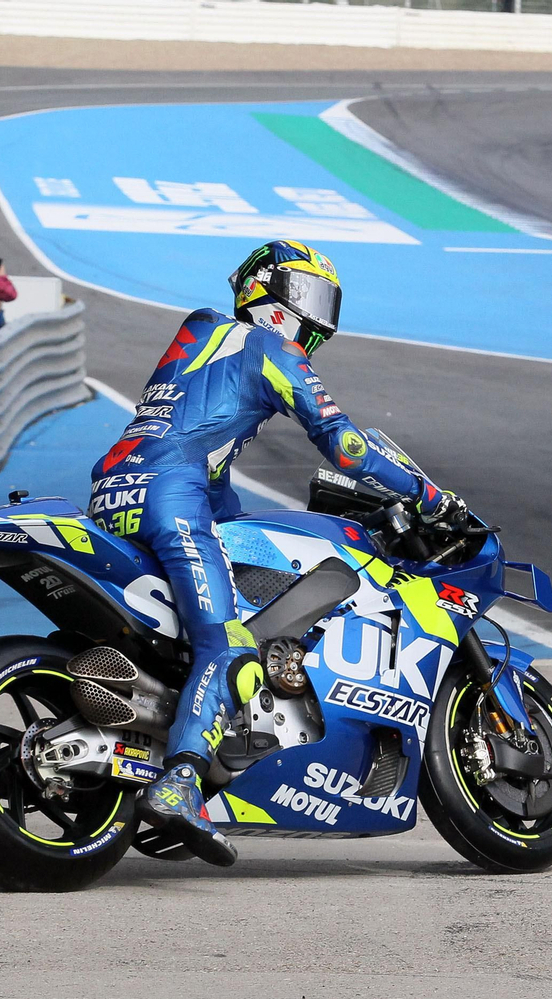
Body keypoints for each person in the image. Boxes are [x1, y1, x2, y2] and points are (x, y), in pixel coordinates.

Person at [89, 239, 468, 867]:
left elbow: (194, 444)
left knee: (223, 595)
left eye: (326, 305)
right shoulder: (270, 348)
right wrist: (425, 493)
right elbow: (344, 446)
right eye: (307, 296)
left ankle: (175, 725)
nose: (316, 319)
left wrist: (236, 518)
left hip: (116, 490)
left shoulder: (201, 334)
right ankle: (180, 783)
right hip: (172, 498)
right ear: (264, 289)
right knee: (229, 647)